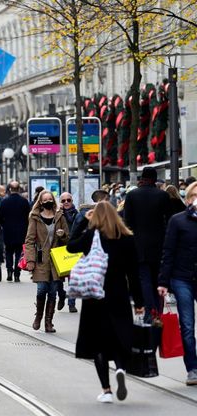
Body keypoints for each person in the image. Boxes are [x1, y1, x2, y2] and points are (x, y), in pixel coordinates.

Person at [67, 201, 144, 404]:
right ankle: (120, 368)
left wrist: (83, 222)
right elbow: (134, 273)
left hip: (95, 294)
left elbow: (70, 245)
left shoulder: (92, 236)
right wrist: (139, 301)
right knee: (119, 336)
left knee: (97, 343)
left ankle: (106, 390)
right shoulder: (127, 237)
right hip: (118, 293)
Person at [157, 181, 197, 386]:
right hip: (182, 279)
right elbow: (168, 252)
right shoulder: (178, 221)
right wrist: (163, 282)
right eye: (195, 195)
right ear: (188, 199)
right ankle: (193, 368)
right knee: (187, 325)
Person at [124, 167, 171, 323]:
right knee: (157, 280)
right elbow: (169, 220)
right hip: (159, 245)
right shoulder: (163, 196)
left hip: (138, 245)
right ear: (155, 179)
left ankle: (149, 313)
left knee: (144, 280)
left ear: (142, 178)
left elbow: (127, 222)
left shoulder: (131, 195)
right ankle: (157, 311)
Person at [25, 190, 69, 333]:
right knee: (41, 289)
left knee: (53, 291)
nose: (48, 201)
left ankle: (48, 322)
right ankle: (38, 316)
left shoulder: (59, 216)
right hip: (40, 259)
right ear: (41, 202)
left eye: (50, 199)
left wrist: (62, 235)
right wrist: (30, 260)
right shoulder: (35, 217)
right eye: (45, 200)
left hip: (56, 259)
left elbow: (68, 239)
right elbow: (30, 240)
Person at [0, 181, 30, 282]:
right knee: (18, 253)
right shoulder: (24, 202)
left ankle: (9, 271)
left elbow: (0, 217)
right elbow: (28, 217)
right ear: (19, 189)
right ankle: (17, 274)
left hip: (8, 231)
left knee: (8, 252)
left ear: (10, 189)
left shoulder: (4, 202)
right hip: (21, 231)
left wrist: (3, 225)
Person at [58, 192, 78, 313]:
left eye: (68, 200)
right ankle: (61, 295)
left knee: (73, 279)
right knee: (58, 280)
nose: (66, 202)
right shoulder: (57, 214)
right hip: (59, 249)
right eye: (63, 200)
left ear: (72, 201)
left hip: (73, 249)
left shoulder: (77, 214)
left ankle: (71, 303)